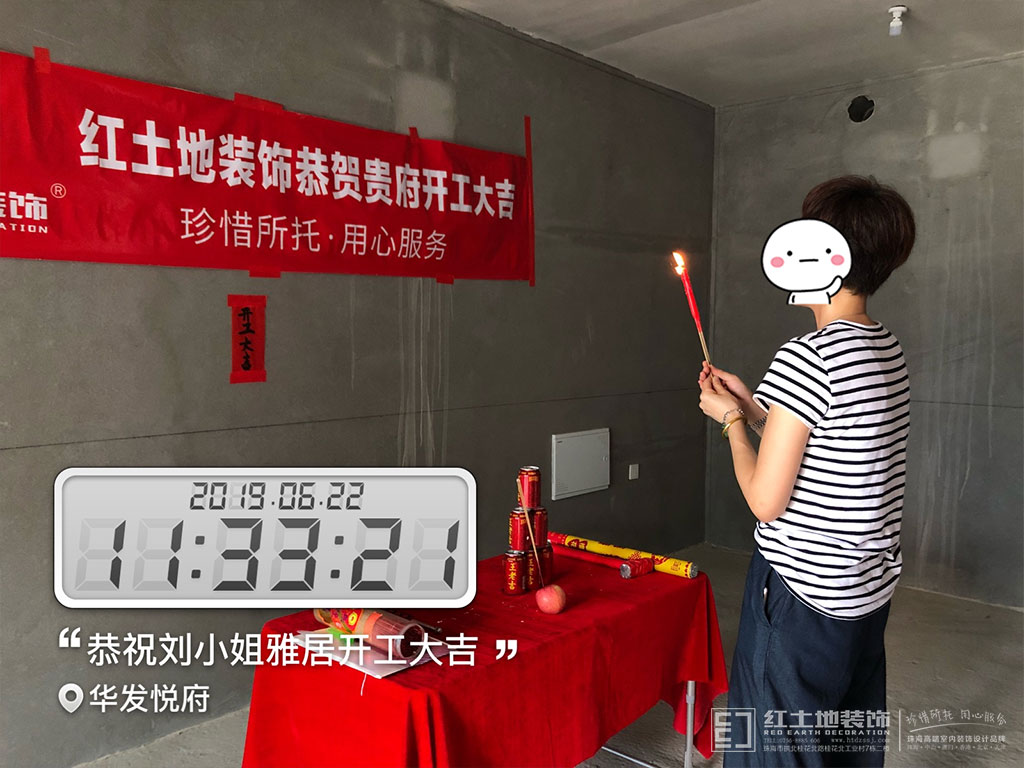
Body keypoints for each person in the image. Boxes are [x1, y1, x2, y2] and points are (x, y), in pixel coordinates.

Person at [698, 175, 915, 767]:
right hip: (863, 590)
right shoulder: (884, 346)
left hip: (801, 591)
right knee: (845, 740)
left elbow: (766, 500)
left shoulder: (808, 355)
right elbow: (834, 446)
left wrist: (729, 422)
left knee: (774, 749)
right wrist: (752, 407)